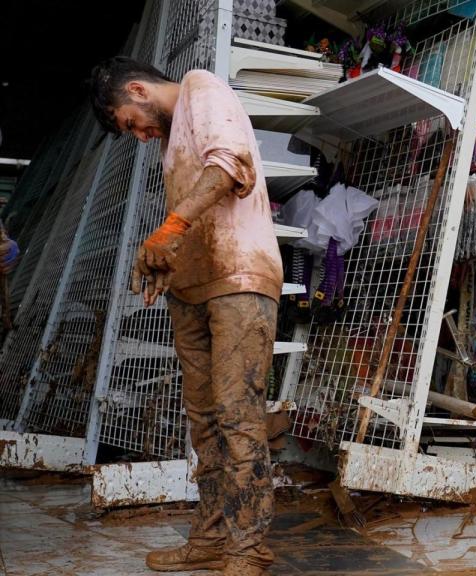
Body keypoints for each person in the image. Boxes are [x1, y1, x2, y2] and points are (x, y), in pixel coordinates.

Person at [90, 57, 282, 576]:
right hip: (195, 288)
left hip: (240, 277)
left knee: (237, 415)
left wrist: (170, 229)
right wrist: (165, 258)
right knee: (205, 423)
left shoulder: (201, 87)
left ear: (138, 90)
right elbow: (195, 208)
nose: (138, 134)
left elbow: (231, 163)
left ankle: (248, 549)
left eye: (131, 122)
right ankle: (212, 538)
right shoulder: (172, 137)